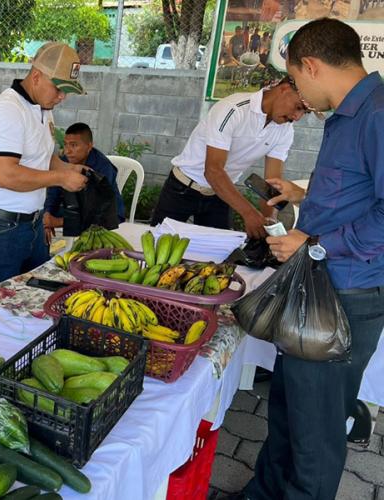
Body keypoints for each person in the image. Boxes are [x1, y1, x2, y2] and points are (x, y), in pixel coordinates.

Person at [239, 18, 384, 500]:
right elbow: (356, 191)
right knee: (288, 411)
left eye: (297, 81)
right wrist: (302, 194)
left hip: (345, 293)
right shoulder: (349, 113)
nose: (298, 95)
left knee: (316, 435)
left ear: (312, 65)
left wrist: (314, 243)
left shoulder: (377, 114)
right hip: (318, 286)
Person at [0, 42, 88, 289]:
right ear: (36, 77)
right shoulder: (9, 110)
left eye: (67, 91)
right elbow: (7, 175)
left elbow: (45, 157)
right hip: (1, 228)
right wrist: (60, 178)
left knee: (38, 297)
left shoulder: (42, 107)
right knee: (5, 308)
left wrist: (69, 170)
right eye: (58, 89)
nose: (62, 97)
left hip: (32, 224)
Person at [149, 78, 309, 239]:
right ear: (284, 88)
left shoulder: (286, 130)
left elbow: (273, 182)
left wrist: (270, 221)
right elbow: (212, 171)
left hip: (222, 195)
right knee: (157, 247)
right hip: (182, 189)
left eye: (304, 112)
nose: (297, 117)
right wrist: (249, 213)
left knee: (217, 258)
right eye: (298, 107)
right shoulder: (233, 109)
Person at [43, 122, 125, 244]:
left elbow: (97, 210)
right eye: (66, 145)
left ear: (89, 146)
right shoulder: (64, 161)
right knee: (41, 217)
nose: (67, 151)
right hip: (76, 207)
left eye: (74, 145)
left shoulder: (102, 167)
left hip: (106, 214)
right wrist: (47, 218)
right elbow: (53, 193)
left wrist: (58, 222)